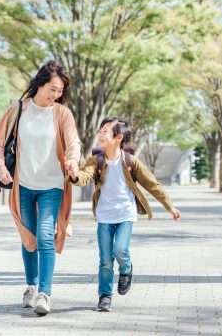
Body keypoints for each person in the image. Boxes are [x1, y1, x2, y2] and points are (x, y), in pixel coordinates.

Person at [0, 59, 81, 315]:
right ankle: (30, 287)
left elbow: (73, 142)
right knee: (28, 238)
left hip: (53, 185)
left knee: (43, 236)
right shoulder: (17, 110)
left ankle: (44, 293)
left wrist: (72, 161)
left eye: (60, 91)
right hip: (24, 185)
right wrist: (1, 167)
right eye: (53, 89)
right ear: (40, 84)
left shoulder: (62, 113)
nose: (57, 95)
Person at [67, 117, 181, 312]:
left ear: (118, 137)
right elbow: (84, 177)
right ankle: (104, 296)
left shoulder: (130, 161)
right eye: (100, 130)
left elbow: (152, 184)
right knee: (105, 259)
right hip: (104, 216)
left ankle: (126, 269)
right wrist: (75, 175)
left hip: (126, 214)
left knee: (120, 249)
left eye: (105, 131)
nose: (100, 134)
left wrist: (169, 206)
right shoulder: (97, 160)